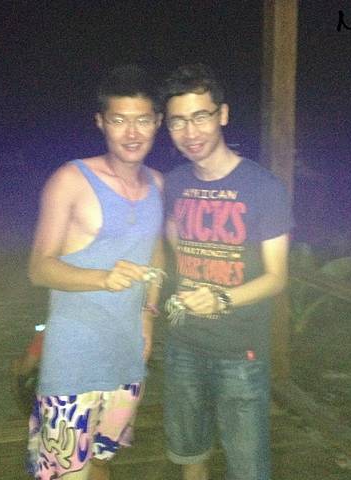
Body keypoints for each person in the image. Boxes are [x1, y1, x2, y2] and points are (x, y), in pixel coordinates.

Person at [26, 64, 164, 480]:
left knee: (103, 461)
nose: (132, 132)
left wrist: (148, 313)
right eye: (119, 120)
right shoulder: (71, 179)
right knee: (68, 473)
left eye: (142, 120)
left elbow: (156, 250)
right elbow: (39, 268)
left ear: (157, 122)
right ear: (101, 122)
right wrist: (101, 278)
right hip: (74, 359)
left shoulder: (159, 184)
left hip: (127, 356)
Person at [160, 64, 293, 480]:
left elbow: (277, 277)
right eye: (178, 121)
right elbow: (174, 247)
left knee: (247, 466)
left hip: (240, 351)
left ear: (223, 114)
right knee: (189, 454)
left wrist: (221, 298)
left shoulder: (264, 187)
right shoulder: (173, 183)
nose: (190, 131)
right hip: (182, 343)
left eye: (200, 116)